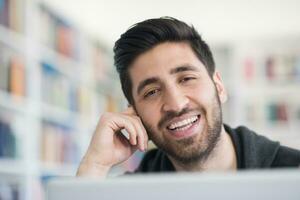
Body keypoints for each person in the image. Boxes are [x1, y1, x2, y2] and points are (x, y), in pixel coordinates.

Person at [76, 17, 300, 177]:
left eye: (186, 78)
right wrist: (95, 165)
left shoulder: (293, 172)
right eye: (151, 92)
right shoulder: (130, 192)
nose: (175, 104)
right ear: (134, 113)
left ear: (219, 87)